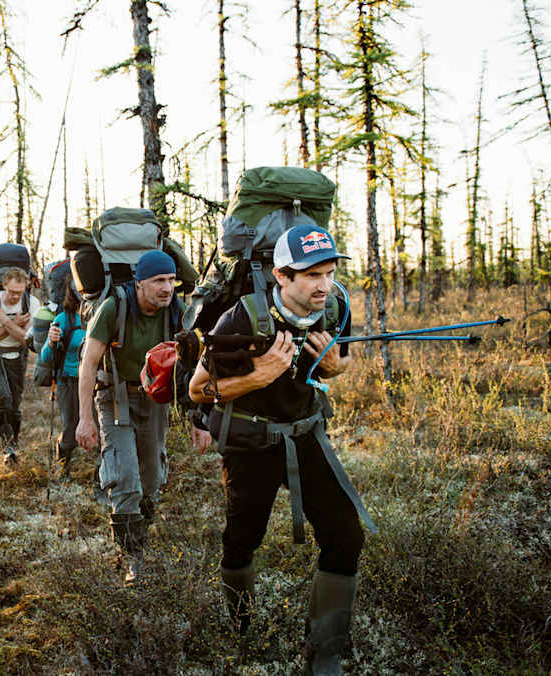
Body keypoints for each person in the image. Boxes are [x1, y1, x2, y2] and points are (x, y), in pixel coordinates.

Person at [188, 224, 375, 676]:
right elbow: (197, 390)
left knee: (345, 532)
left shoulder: (336, 304)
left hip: (307, 434)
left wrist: (335, 365)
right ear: (281, 276)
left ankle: (325, 654)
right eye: (311, 275)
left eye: (329, 272)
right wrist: (259, 375)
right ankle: (240, 626)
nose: (324, 285)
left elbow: (343, 358)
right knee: (241, 541)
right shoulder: (241, 318)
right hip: (250, 443)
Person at [77, 250, 211, 584]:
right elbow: (88, 363)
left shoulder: (177, 313)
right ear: (139, 284)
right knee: (125, 478)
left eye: (170, 280)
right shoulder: (114, 308)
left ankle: (139, 537)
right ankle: (131, 558)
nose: (167, 288)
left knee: (150, 481)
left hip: (156, 401)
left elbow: (191, 369)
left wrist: (199, 419)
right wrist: (85, 418)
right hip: (116, 398)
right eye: (158, 281)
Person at [0, 267, 41, 465]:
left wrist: (5, 320)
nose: (15, 296)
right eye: (12, 292)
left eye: (19, 292)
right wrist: (15, 325)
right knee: (3, 395)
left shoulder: (32, 303)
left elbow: (28, 342)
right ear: (4, 286)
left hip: (18, 357)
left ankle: (14, 445)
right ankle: (7, 446)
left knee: (15, 402)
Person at [41, 285, 85, 477]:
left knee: (102, 429)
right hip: (68, 382)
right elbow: (45, 357)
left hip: (97, 383)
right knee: (70, 427)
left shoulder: (101, 313)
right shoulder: (63, 319)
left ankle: (101, 476)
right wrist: (51, 342)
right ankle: (62, 468)